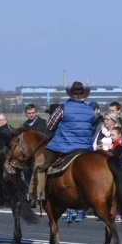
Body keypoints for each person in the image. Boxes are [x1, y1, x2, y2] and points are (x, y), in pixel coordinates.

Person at [38, 81, 96, 222]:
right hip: (86, 147)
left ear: (70, 93)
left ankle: (38, 193)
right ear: (83, 95)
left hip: (64, 146)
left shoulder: (62, 108)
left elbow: (50, 126)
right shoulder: (90, 110)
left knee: (40, 163)